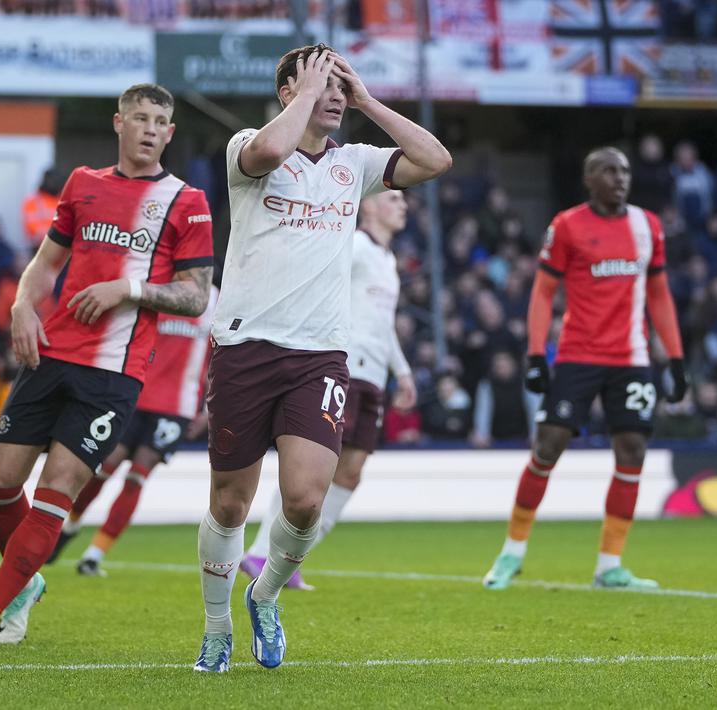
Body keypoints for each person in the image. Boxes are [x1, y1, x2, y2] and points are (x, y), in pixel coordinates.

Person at [195, 44, 449, 673]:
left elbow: (435, 159)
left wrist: (366, 100)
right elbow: (271, 153)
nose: (334, 93)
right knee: (230, 503)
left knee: (306, 500)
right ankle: (216, 627)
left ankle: (264, 596)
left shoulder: (355, 164)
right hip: (245, 347)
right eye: (321, 82)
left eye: (342, 84)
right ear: (287, 90)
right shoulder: (246, 147)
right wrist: (308, 95)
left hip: (319, 356)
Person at [0, 83, 214, 650]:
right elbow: (45, 266)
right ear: (118, 123)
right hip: (50, 354)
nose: (148, 128)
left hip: (114, 376)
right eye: (139, 117)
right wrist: (23, 306)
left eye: (159, 121)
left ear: (169, 134)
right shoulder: (82, 185)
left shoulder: (187, 201)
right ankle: (24, 584)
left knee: (56, 492)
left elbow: (196, 296)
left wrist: (128, 288)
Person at [481, 147, 689, 593]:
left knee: (632, 450)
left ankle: (610, 565)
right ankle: (511, 552)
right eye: (609, 171)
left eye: (625, 171)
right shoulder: (568, 225)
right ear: (589, 179)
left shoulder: (647, 225)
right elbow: (542, 293)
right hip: (578, 354)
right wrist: (537, 355)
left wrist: (675, 357)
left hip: (632, 357)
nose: (620, 178)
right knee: (549, 446)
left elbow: (659, 295)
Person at [238, 189, 417, 592]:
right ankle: (262, 553)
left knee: (351, 473)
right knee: (314, 468)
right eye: (393, 198)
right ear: (368, 205)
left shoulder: (388, 261)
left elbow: (383, 323)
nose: (402, 205)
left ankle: (284, 558)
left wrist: (402, 372)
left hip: (372, 378)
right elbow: (315, 279)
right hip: (342, 368)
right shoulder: (353, 245)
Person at [49, 285, 218, 576]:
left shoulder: (212, 298)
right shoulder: (156, 286)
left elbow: (216, 356)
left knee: (137, 476)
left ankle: (94, 554)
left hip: (177, 405)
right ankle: (73, 523)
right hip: (135, 393)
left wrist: (208, 406)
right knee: (104, 467)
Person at [21, 168, 66, 250]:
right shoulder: (33, 201)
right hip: (39, 248)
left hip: (59, 248)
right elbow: (32, 228)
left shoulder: (62, 200)